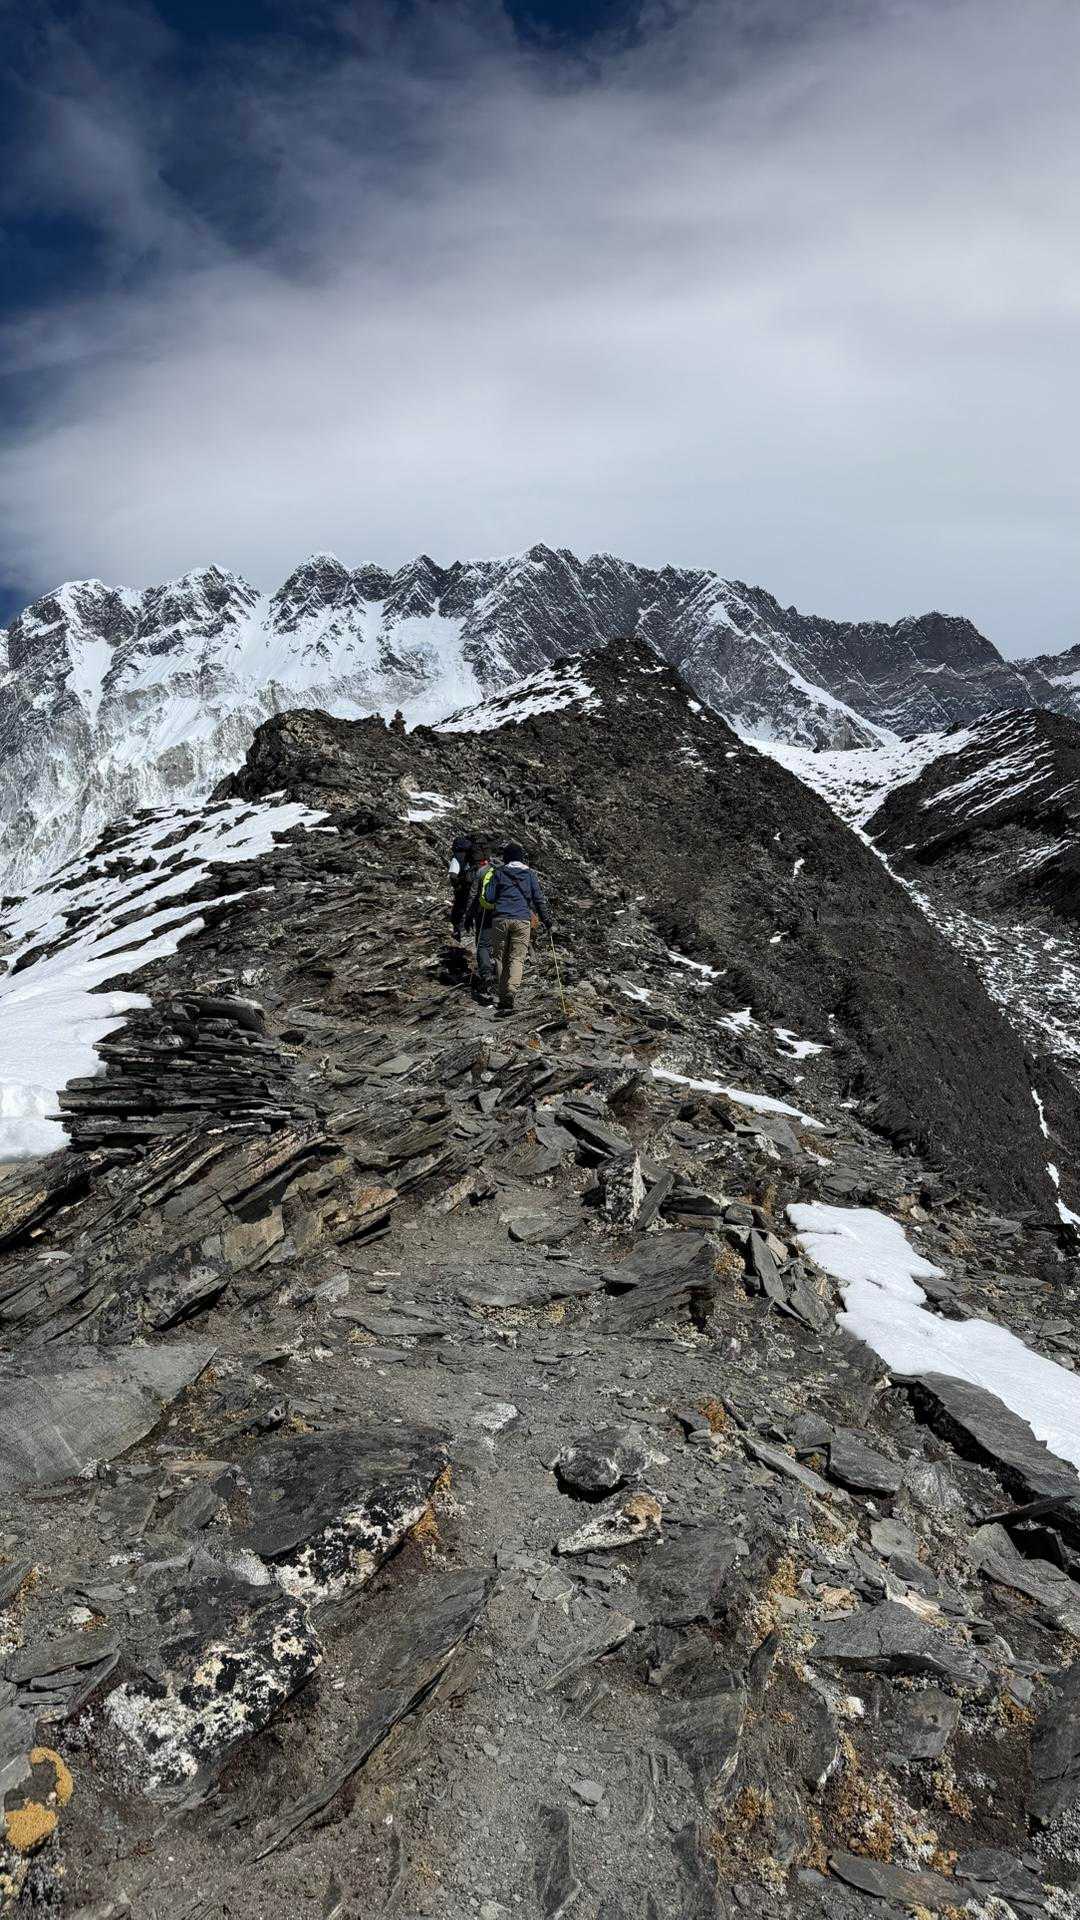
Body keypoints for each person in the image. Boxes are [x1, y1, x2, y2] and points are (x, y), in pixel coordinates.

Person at [486, 841, 552, 1014]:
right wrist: (546, 920)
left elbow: (489, 897)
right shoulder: (530, 874)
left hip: (501, 918)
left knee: (500, 958)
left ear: (506, 857)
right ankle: (511, 991)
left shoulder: (499, 872)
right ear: (521, 857)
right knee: (517, 958)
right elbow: (538, 899)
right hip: (522, 919)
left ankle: (502, 995)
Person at [460, 844, 497, 1000]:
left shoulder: (481, 872)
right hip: (505, 913)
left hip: (484, 913)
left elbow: (473, 896)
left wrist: (468, 917)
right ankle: (501, 975)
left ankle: (487, 975)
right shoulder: (502, 870)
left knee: (482, 944)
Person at [448, 831, 477, 935]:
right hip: (474, 887)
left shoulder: (456, 858)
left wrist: (457, 887)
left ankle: (458, 931)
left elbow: (453, 876)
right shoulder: (472, 856)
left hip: (463, 889)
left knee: (459, 910)